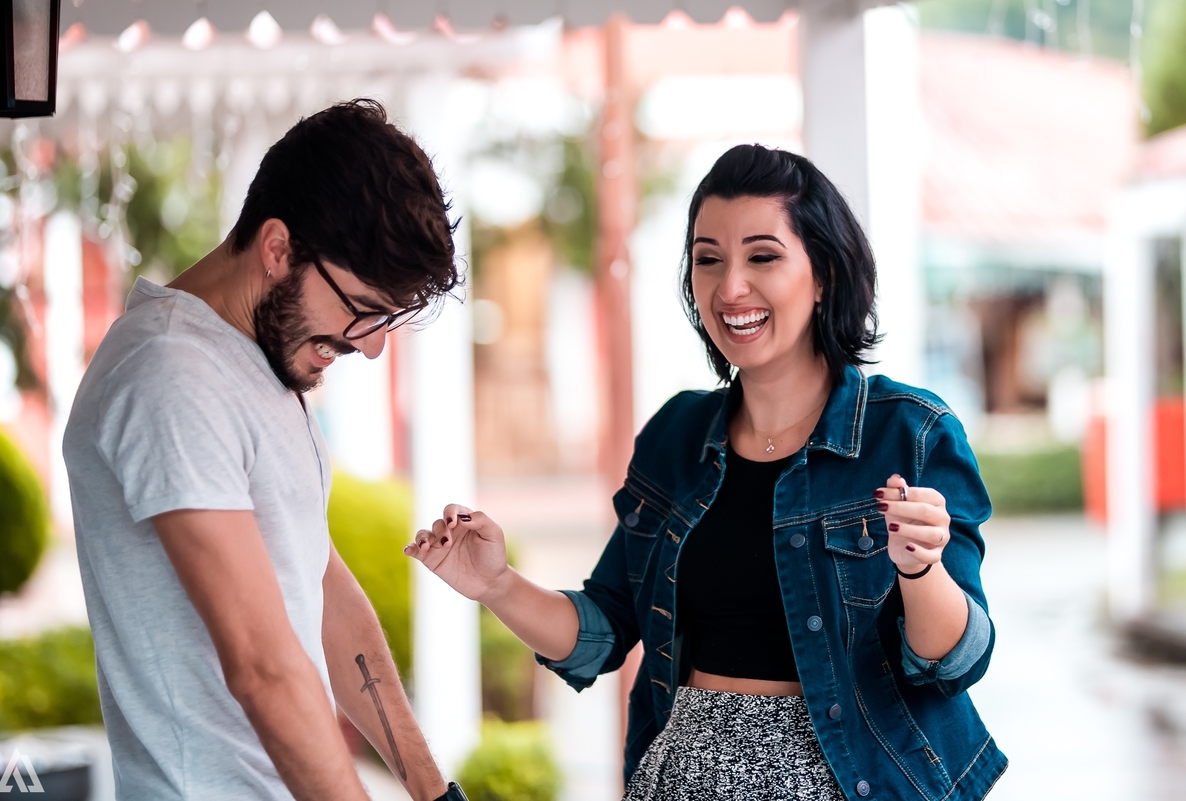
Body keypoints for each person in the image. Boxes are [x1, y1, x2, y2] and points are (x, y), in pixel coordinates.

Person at [407, 145, 1007, 800]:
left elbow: (955, 662)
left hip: (848, 782)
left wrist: (920, 568)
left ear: (826, 271)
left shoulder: (909, 433)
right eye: (708, 259)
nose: (730, 288)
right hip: (684, 777)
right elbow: (604, 631)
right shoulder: (677, 436)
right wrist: (497, 584)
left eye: (763, 256)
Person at [64, 100, 469, 801]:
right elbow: (262, 666)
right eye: (362, 308)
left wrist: (436, 795)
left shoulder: (256, 364)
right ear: (278, 249)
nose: (371, 345)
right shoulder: (169, 374)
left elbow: (321, 589)